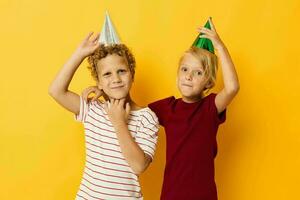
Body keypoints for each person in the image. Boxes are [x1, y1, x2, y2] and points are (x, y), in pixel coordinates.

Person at [49, 12, 159, 200]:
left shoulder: (147, 117)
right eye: (107, 74)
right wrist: (80, 54)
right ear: (98, 82)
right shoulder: (93, 109)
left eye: (122, 71)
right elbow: (56, 91)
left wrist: (119, 124)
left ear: (132, 74)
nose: (116, 79)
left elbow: (139, 166)